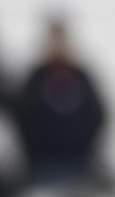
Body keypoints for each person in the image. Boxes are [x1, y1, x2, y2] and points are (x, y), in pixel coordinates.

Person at [14, 19, 107, 187]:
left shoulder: (82, 78)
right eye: (54, 42)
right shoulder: (36, 80)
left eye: (62, 42)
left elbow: (100, 115)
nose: (58, 49)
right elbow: (22, 117)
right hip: (41, 168)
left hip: (80, 167)